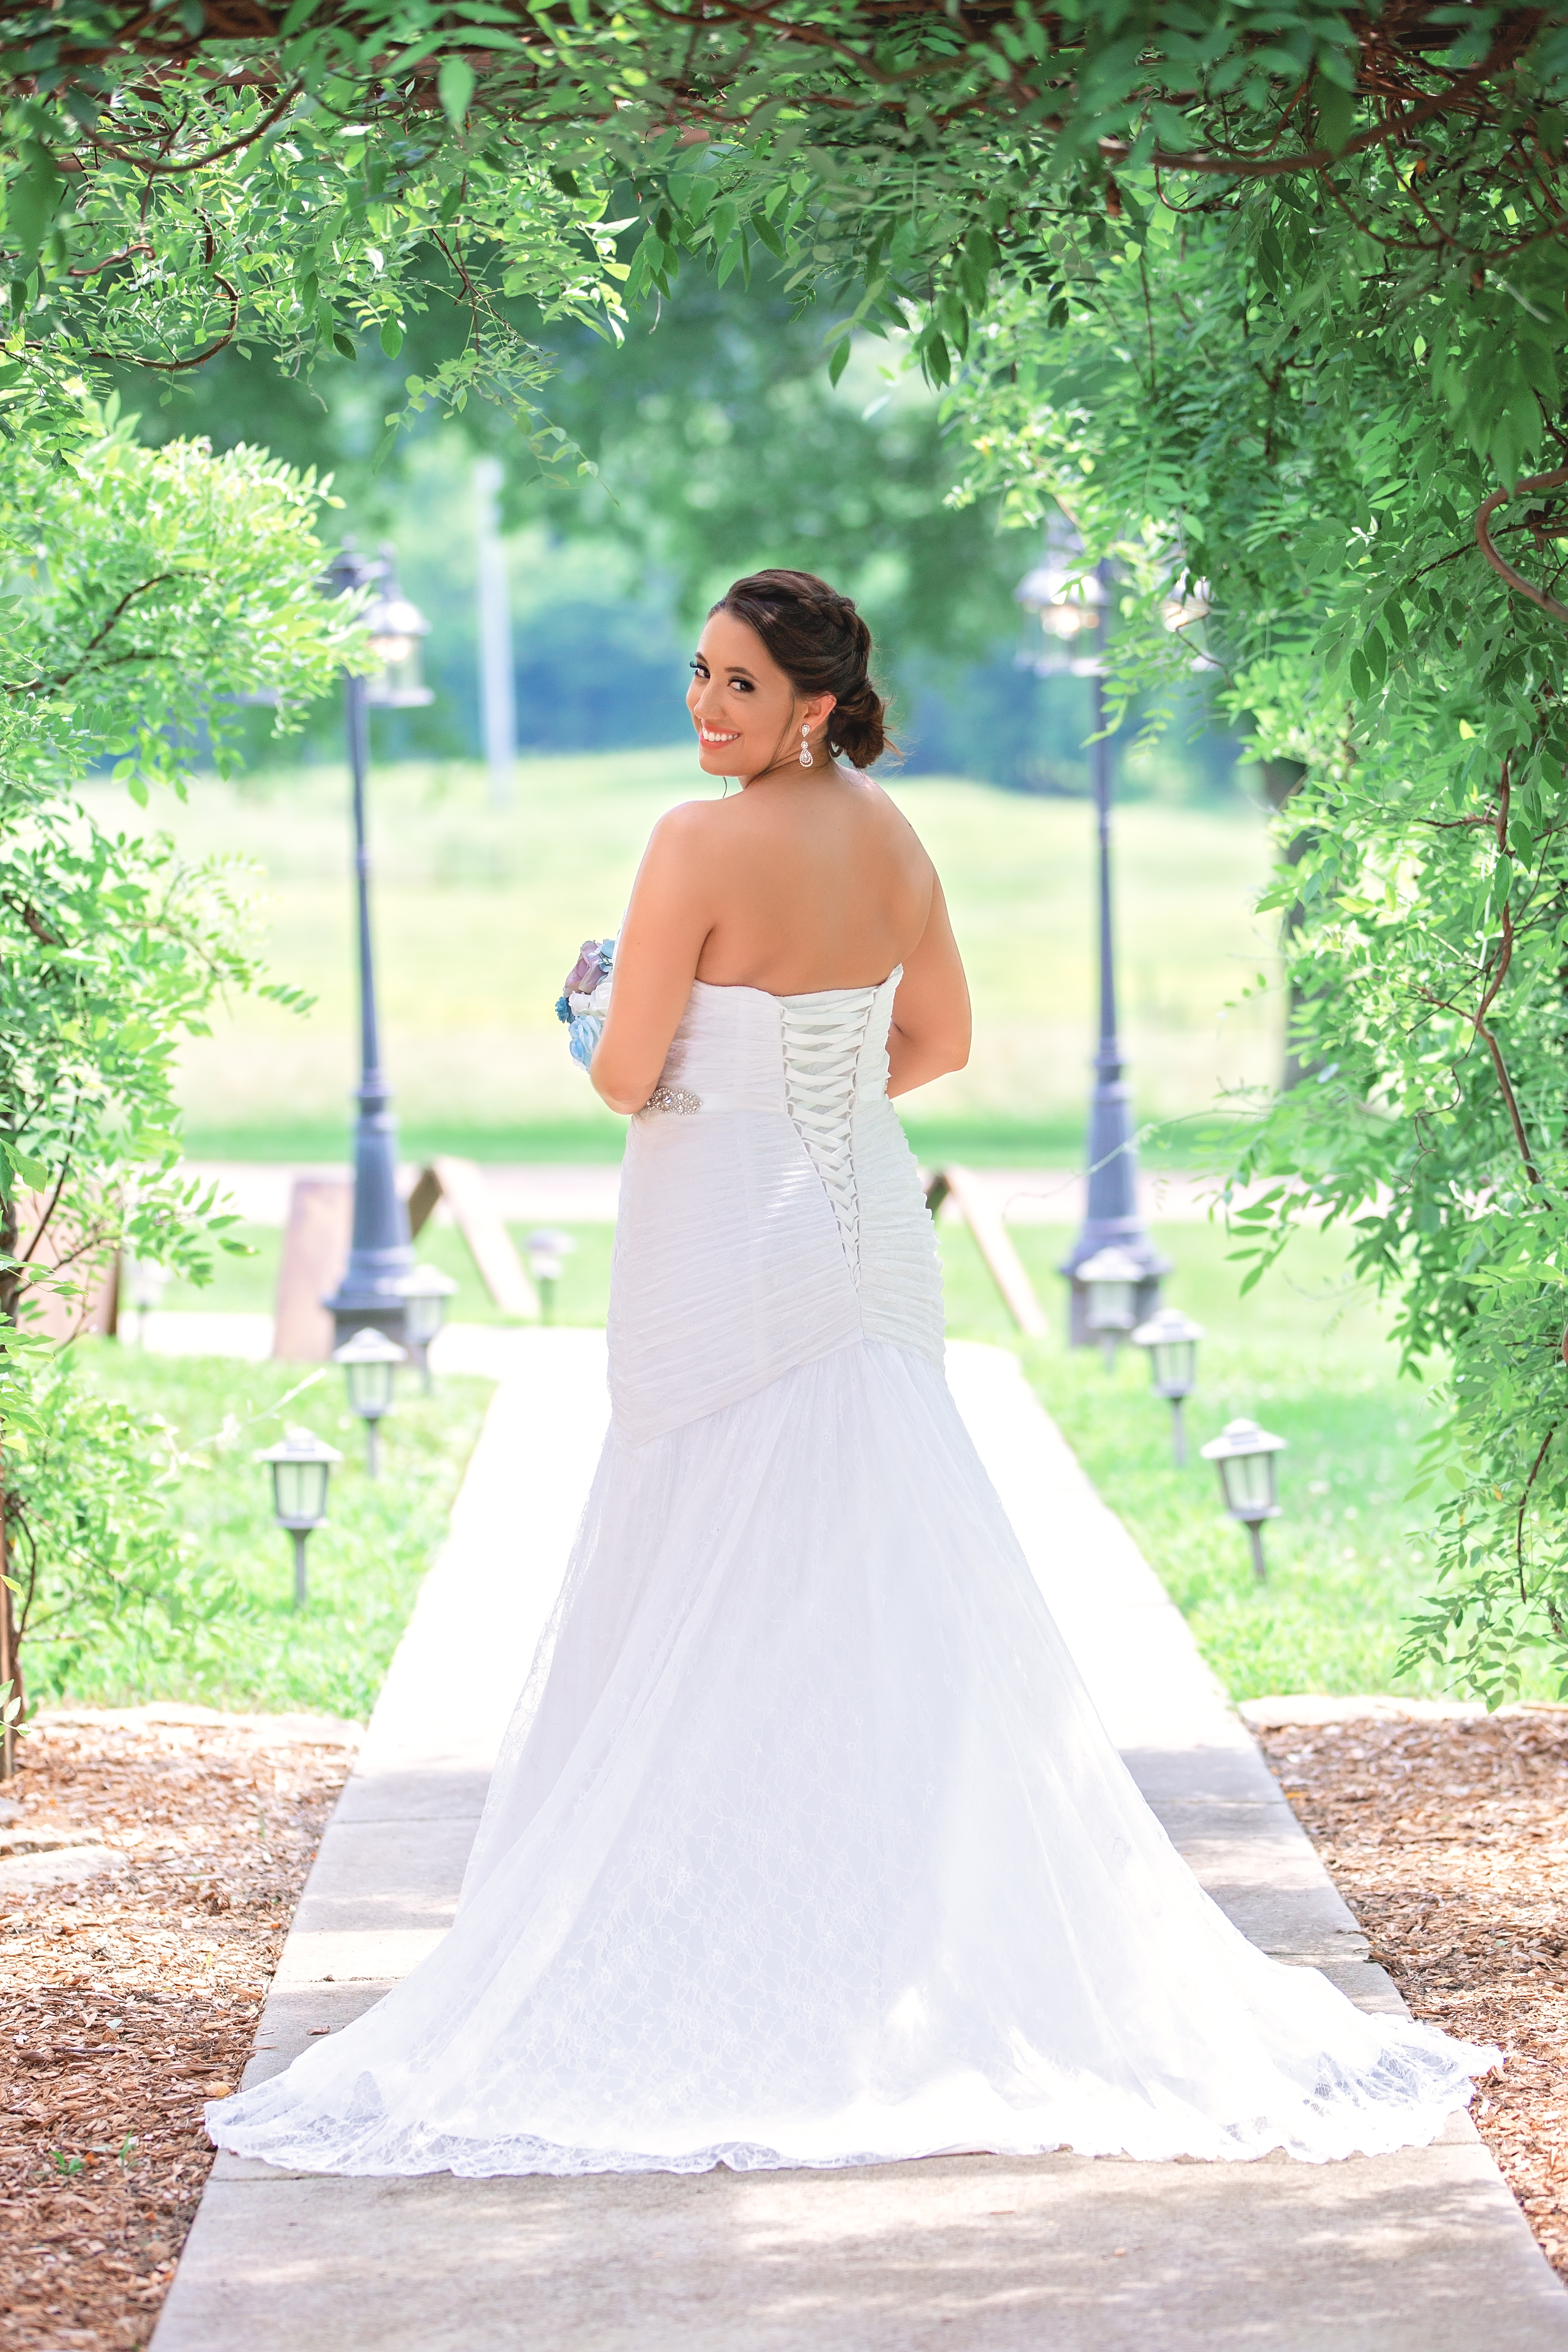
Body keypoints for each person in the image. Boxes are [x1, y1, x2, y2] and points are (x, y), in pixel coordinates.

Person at [208, 568, 1493, 2179]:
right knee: (884, 1547)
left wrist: (614, 1014)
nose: (706, 708)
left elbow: (620, 1078)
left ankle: (716, 1918)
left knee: (705, 1545)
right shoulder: (893, 835)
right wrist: (808, 1073)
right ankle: (894, 1927)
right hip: (867, 1221)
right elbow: (940, 1041)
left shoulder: (690, 846)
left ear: (811, 701)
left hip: (719, 1224)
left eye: (738, 686)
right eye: (699, 676)